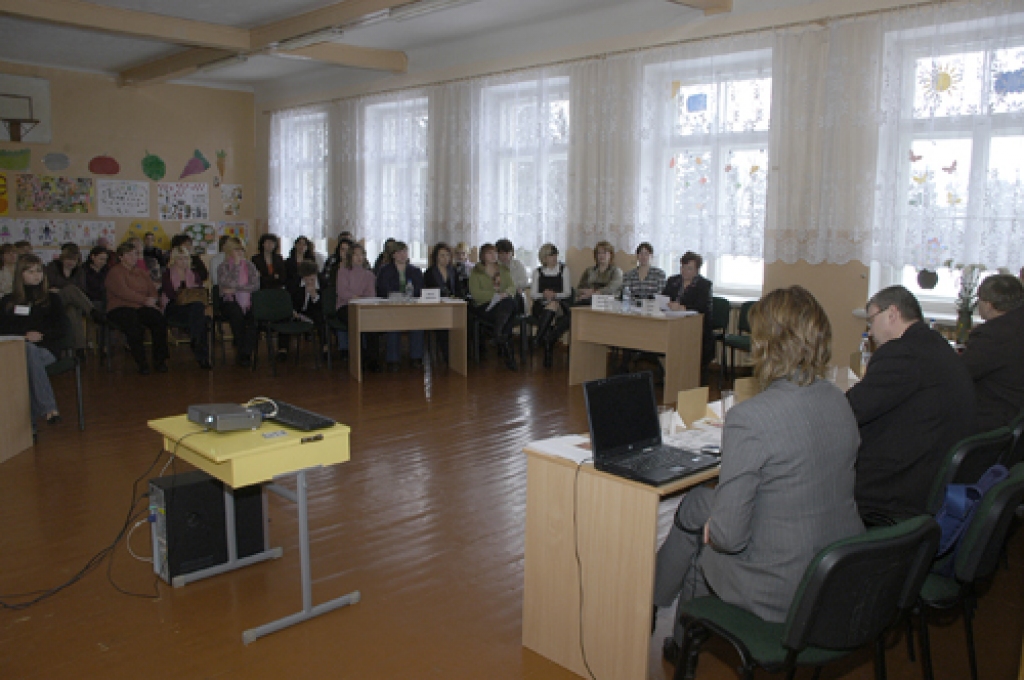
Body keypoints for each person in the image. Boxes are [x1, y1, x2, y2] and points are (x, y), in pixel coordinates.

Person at [653, 285, 864, 664]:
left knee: (705, 541)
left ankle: (675, 635)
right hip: (837, 574)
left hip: (780, 588)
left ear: (766, 344)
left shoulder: (751, 418)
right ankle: (668, 623)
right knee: (700, 503)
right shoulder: (839, 400)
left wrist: (714, 529)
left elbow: (728, 537)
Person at [847, 285, 976, 523]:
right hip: (934, 474)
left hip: (899, 489)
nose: (871, 331)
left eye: (871, 320)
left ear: (892, 313)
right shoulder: (935, 344)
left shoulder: (901, 353)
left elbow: (851, 410)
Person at [0, 254, 66, 428]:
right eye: (30, 271)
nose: (36, 275)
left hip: (47, 348)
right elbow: (3, 329)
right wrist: (24, 335)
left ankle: (35, 422)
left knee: (29, 354)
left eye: (38, 271)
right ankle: (47, 411)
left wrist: (41, 335)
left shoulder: (52, 299)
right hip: (15, 351)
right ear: (20, 274)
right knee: (27, 357)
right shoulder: (7, 301)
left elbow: (62, 329)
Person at [961, 274, 1024, 432]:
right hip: (1017, 416)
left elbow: (960, 374)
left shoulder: (992, 335)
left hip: (994, 419)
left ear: (988, 305)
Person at [106, 241, 170, 375]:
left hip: (141, 305)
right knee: (133, 323)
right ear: (121, 257)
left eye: (135, 254)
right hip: (120, 306)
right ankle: (142, 362)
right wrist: (145, 300)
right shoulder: (115, 272)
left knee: (158, 319)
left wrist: (154, 300)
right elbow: (123, 292)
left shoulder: (141, 272)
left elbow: (152, 289)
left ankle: (160, 361)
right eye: (129, 254)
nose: (134, 257)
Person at [45, 244, 106, 357]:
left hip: (71, 304)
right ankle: (93, 312)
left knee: (71, 311)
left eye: (73, 260)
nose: (71, 262)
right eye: (68, 259)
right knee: (71, 289)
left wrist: (60, 289)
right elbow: (48, 287)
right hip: (54, 301)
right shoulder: (52, 267)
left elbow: (82, 290)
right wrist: (64, 290)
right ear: (63, 258)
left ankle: (79, 349)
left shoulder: (79, 271)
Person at [468, 242, 518, 371]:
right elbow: (476, 294)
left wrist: (505, 294)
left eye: (495, 253)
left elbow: (512, 286)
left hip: (502, 305)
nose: (493, 255)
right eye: (489, 253)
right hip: (485, 306)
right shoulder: (476, 271)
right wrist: (495, 295)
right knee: (508, 313)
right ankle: (510, 357)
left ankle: (498, 333)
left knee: (509, 304)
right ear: (483, 256)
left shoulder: (503, 269)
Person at [376, 241, 425, 370]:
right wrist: (396, 295)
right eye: (399, 252)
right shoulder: (385, 270)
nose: (402, 255)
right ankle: (393, 360)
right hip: (391, 308)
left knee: (418, 323)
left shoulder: (415, 270)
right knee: (393, 324)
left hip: (411, 307)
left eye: (404, 252)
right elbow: (381, 290)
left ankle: (416, 358)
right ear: (393, 255)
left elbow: (420, 290)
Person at [662, 251, 715, 368]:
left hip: (697, 330)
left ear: (697, 270)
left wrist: (682, 308)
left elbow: (702, 306)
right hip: (673, 326)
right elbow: (664, 297)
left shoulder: (704, 285)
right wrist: (667, 303)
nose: (684, 271)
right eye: (683, 267)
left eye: (689, 268)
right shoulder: (673, 281)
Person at [161, 247, 211, 369]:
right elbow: (170, 294)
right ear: (174, 260)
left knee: (198, 310)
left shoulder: (194, 274)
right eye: (180, 258)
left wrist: (190, 295)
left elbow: (199, 291)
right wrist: (186, 294)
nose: (183, 261)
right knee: (200, 318)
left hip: (193, 307)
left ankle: (196, 341)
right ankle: (200, 352)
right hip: (174, 306)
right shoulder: (167, 274)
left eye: (185, 258)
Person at [217, 237, 260, 368]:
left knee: (255, 320)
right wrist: (235, 266)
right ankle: (243, 354)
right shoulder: (223, 267)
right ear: (229, 251)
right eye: (236, 250)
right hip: (229, 301)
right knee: (237, 316)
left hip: (248, 301)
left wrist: (235, 289)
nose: (240, 253)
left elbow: (255, 286)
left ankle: (245, 353)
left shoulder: (250, 266)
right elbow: (226, 283)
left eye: (241, 250)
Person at [530, 243, 572, 368]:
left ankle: (537, 339)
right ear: (544, 257)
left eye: (555, 255)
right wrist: (543, 295)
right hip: (541, 305)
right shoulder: (537, 272)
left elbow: (567, 293)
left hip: (559, 304)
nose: (554, 258)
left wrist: (554, 295)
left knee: (553, 305)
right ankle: (546, 348)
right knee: (549, 316)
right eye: (550, 256)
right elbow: (533, 294)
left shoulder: (564, 270)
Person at [335, 243, 377, 363]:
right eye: (355, 254)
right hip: (345, 306)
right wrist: (356, 297)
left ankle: (372, 360)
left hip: (364, 306)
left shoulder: (369, 274)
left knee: (373, 323)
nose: (359, 257)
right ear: (350, 257)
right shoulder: (343, 272)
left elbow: (371, 294)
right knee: (355, 320)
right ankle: (357, 358)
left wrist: (359, 298)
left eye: (361, 254)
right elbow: (342, 292)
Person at [424, 242, 464, 364]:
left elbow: (459, 290)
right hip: (436, 308)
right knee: (443, 327)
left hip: (452, 306)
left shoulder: (453, 271)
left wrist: (457, 297)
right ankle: (447, 357)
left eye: (447, 255)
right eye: (442, 255)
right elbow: (426, 293)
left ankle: (461, 355)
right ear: (436, 257)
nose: (445, 258)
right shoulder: (429, 273)